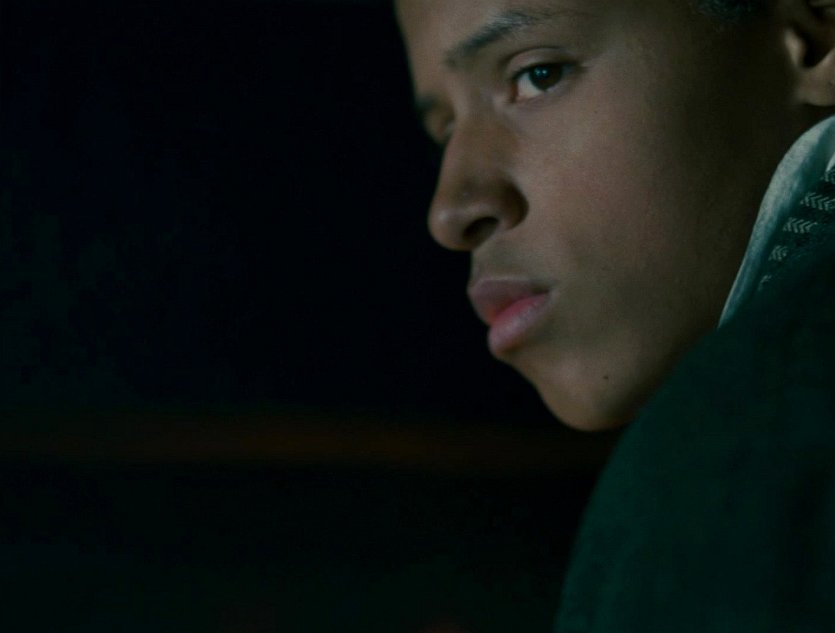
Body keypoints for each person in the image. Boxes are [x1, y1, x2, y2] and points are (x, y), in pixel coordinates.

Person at [396, 0, 835, 630]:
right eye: (445, 129)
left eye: (538, 75)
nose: (451, 210)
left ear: (817, 36)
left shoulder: (740, 459)